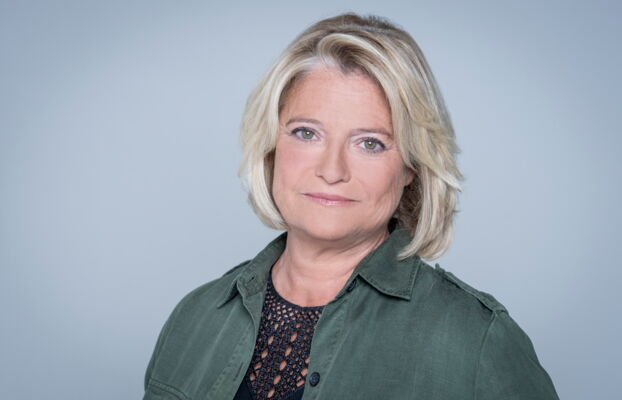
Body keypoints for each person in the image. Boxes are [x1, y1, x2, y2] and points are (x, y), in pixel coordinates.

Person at [142, 12, 559, 400]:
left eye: (369, 143)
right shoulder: (195, 317)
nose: (332, 170)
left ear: (411, 166)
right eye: (307, 133)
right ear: (271, 145)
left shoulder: (476, 339)